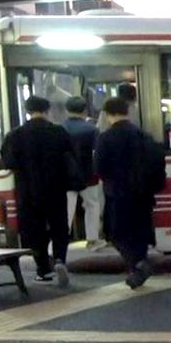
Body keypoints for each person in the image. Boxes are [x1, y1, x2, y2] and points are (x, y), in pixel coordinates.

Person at [0, 95, 73, 288]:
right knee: (59, 226)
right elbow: (69, 157)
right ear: (47, 110)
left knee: (34, 229)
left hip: (28, 190)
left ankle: (42, 269)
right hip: (56, 188)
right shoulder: (58, 132)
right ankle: (59, 260)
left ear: (28, 111)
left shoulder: (15, 135)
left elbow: (8, 162)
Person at [95, 97, 160, 288]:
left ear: (107, 115)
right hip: (143, 194)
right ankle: (137, 268)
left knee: (116, 234)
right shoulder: (143, 135)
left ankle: (138, 265)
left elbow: (99, 167)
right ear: (128, 111)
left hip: (117, 194)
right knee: (139, 232)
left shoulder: (105, 138)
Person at [62, 96, 104, 250]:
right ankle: (92, 239)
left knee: (67, 209)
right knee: (92, 205)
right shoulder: (92, 129)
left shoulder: (60, 129)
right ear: (85, 110)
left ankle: (62, 239)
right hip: (89, 174)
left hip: (66, 176)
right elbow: (96, 153)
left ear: (67, 110)